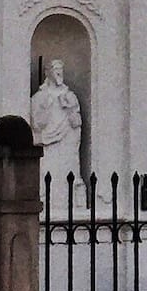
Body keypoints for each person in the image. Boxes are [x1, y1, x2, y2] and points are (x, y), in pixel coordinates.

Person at [32, 59, 88, 207]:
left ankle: (71, 202)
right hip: (48, 144)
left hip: (67, 144)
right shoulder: (39, 97)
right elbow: (36, 125)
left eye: (60, 69)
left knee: (68, 171)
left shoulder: (70, 96)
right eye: (55, 69)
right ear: (47, 72)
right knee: (48, 172)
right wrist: (46, 107)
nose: (59, 72)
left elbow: (77, 123)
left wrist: (69, 109)